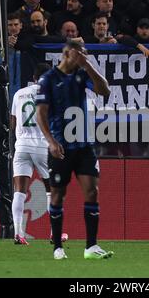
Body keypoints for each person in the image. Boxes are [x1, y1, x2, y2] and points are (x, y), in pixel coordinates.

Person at [36, 40, 114, 260]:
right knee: (58, 195)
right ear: (67, 53)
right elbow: (41, 113)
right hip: (61, 147)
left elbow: (104, 90)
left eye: (85, 53)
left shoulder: (82, 75)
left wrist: (88, 65)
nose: (83, 56)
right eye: (81, 53)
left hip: (84, 145)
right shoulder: (49, 79)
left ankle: (91, 247)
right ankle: (58, 246)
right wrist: (50, 141)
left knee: (92, 191)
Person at [10, 63, 68, 245]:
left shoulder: (19, 94)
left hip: (22, 146)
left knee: (19, 191)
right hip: (43, 147)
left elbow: (12, 122)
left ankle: (18, 233)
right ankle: (54, 233)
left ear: (33, 78)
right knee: (52, 190)